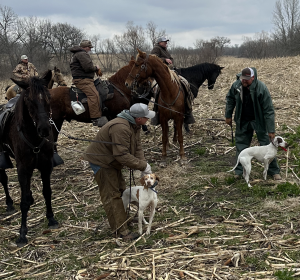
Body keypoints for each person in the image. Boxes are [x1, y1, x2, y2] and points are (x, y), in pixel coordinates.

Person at [83, 103, 155, 241]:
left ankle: (124, 220)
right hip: (102, 162)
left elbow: (137, 146)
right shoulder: (120, 128)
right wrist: (142, 165)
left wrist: (143, 166)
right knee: (112, 195)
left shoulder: (134, 126)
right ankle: (120, 231)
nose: (148, 120)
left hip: (112, 162)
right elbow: (121, 155)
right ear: (139, 118)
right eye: (146, 117)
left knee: (122, 190)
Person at [225, 67, 281, 180]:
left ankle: (273, 171)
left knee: (268, 144)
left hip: (258, 120)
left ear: (253, 77)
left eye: (247, 79)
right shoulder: (236, 86)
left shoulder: (261, 88)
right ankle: (239, 171)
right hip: (243, 120)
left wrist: (271, 129)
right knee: (241, 145)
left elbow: (269, 110)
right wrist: (228, 115)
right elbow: (230, 99)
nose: (244, 81)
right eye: (242, 78)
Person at [150, 37, 195, 127]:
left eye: (166, 42)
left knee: (184, 83)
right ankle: (156, 112)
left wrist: (170, 60)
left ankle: (187, 109)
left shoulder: (164, 49)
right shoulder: (156, 49)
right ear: (160, 42)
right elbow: (153, 59)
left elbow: (170, 58)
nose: (166, 43)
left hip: (169, 72)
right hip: (160, 74)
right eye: (164, 42)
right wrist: (165, 60)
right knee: (158, 89)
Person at [70, 40, 108, 127]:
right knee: (94, 95)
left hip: (84, 79)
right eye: (89, 47)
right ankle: (96, 118)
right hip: (83, 81)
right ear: (85, 47)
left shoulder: (79, 54)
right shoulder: (82, 54)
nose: (90, 49)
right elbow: (88, 67)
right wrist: (96, 68)